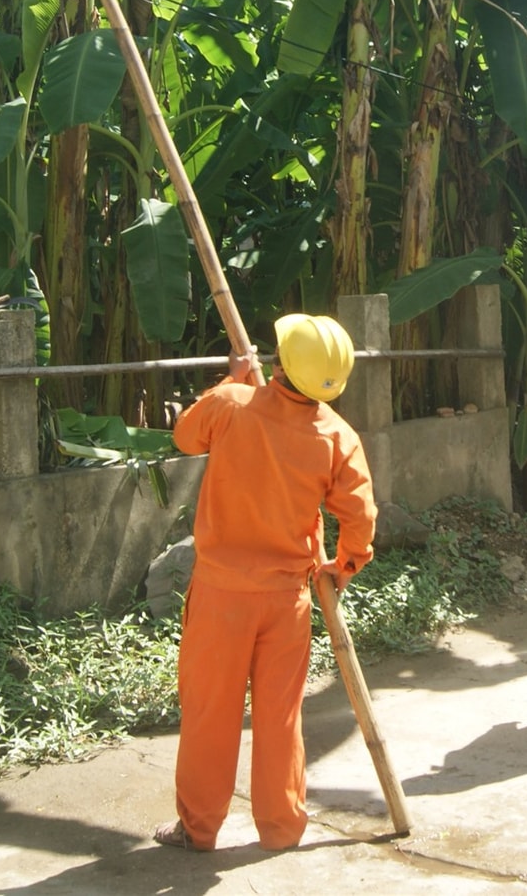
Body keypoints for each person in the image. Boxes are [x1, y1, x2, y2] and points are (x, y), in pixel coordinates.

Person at [154, 314, 376, 853]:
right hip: (288, 600)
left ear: (278, 364)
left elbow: (185, 436)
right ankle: (281, 829)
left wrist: (234, 380)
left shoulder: (232, 406)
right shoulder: (335, 435)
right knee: (279, 716)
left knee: (211, 711)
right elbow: (360, 516)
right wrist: (343, 566)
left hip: (222, 596)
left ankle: (199, 827)